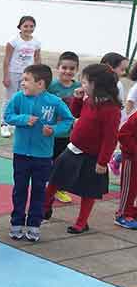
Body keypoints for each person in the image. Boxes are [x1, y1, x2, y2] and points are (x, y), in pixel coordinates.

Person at [44, 64, 121, 234]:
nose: (82, 86)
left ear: (97, 85)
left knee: (89, 190)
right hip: (73, 149)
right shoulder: (89, 100)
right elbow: (74, 114)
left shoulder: (111, 110)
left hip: (93, 155)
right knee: (55, 179)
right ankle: (45, 206)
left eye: (85, 83)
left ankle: (81, 222)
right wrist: (78, 99)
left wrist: (103, 162)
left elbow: (110, 138)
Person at [3, 64, 74, 242]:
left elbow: (68, 120)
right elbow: (8, 115)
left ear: (40, 84)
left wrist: (55, 130)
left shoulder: (54, 102)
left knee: (38, 191)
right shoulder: (18, 97)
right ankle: (16, 222)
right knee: (19, 190)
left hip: (42, 157)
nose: (22, 83)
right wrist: (24, 119)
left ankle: (34, 224)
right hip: (21, 154)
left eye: (26, 80)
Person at [47, 51, 81, 204]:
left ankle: (59, 189)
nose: (67, 71)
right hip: (52, 131)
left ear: (77, 70)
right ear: (58, 67)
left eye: (71, 68)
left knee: (64, 162)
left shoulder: (79, 87)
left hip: (69, 133)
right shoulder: (51, 86)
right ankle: (47, 186)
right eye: (64, 67)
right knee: (49, 160)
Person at [1, 15, 41, 138]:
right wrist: (6, 76)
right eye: (26, 26)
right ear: (20, 27)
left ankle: (17, 121)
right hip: (14, 72)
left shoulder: (36, 42)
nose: (28, 29)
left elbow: (37, 58)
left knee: (24, 97)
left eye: (31, 26)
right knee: (10, 98)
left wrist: (39, 74)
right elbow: (7, 59)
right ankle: (4, 124)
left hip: (28, 74)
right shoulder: (14, 41)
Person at [116, 100, 137, 228]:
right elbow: (123, 134)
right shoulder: (135, 117)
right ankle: (122, 214)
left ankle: (130, 211)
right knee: (129, 187)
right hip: (131, 158)